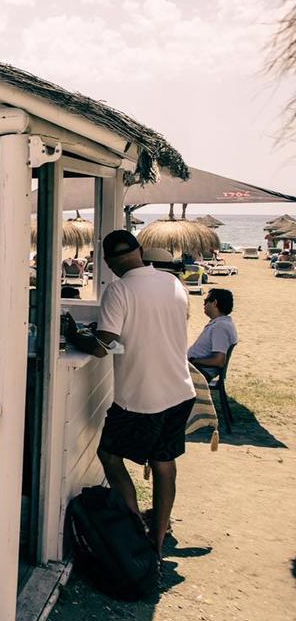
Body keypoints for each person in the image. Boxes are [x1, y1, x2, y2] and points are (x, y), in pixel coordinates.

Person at [75, 230, 196, 556]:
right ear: (140, 251)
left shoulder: (119, 290)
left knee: (110, 456)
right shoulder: (173, 284)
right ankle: (156, 540)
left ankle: (132, 531)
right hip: (180, 390)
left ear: (108, 263)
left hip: (141, 397)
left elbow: (103, 346)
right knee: (164, 464)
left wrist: (74, 337)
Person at [188, 288, 238, 381]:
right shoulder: (219, 323)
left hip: (200, 371)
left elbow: (219, 360)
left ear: (214, 303)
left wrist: (193, 360)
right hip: (197, 368)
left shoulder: (220, 327)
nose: (204, 303)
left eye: (206, 301)